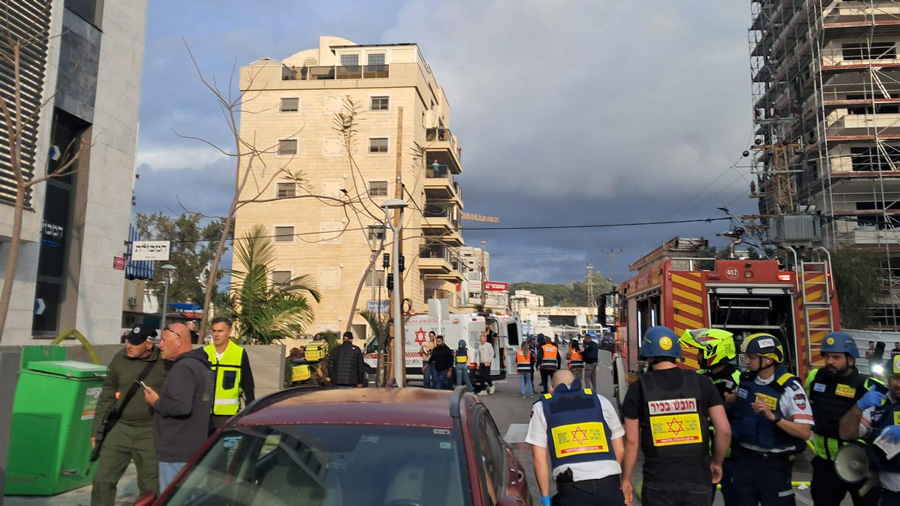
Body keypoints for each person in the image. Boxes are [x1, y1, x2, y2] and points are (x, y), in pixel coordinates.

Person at [621, 326, 731, 506]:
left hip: (658, 480)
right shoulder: (702, 382)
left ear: (648, 354)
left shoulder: (638, 388)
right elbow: (724, 430)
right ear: (677, 353)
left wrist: (626, 480)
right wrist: (717, 462)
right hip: (698, 479)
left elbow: (632, 440)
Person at [727, 333, 813, 506]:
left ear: (768, 360)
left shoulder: (790, 389)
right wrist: (730, 399)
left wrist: (774, 418)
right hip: (744, 460)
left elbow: (804, 432)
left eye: (751, 357)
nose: (746, 362)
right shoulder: (746, 380)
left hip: (774, 465)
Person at [91, 324, 170, 506]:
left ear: (149, 344)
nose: (129, 346)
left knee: (150, 485)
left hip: (150, 431)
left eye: (135, 343)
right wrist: (96, 430)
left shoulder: (165, 362)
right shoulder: (120, 358)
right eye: (129, 341)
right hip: (121, 427)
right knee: (103, 479)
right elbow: (106, 395)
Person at [805, 331, 883, 506]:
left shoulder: (867, 384)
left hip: (858, 462)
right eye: (827, 356)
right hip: (825, 463)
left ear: (850, 360)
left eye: (836, 357)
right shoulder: (814, 378)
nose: (830, 362)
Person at [526, 370, 625, 506]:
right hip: (610, 486)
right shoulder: (601, 401)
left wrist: (545, 497)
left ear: (552, 389)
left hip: (572, 492)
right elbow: (620, 449)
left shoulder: (541, 408)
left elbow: (539, 459)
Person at [142, 323, 213, 492]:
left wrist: (156, 402)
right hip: (196, 450)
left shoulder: (183, 367)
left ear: (178, 340)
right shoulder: (203, 366)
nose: (160, 345)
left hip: (176, 453)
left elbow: (181, 407)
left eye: (164, 340)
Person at [679, 328, 741, 504]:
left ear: (714, 351)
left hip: (732, 456)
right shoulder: (698, 377)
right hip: (702, 455)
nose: (698, 357)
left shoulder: (739, 380)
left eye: (701, 352)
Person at [840, 354, 900, 506]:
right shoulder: (879, 403)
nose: (899, 384)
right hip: (890, 494)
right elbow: (847, 433)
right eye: (895, 377)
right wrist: (858, 407)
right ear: (887, 378)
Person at [203, 317, 255, 433]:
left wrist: (250, 411)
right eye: (214, 331)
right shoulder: (204, 353)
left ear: (229, 332)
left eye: (220, 331)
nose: (216, 334)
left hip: (228, 415)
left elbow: (248, 385)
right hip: (204, 414)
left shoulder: (239, 353)